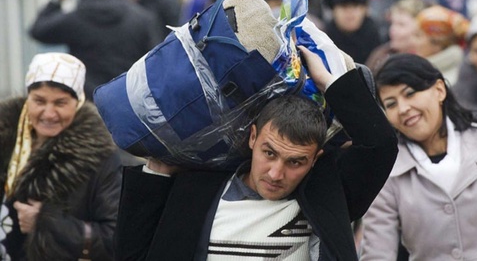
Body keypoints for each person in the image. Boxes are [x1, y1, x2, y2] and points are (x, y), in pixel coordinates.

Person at [114, 46, 398, 260]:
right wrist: (156, 175)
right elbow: (132, 254)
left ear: (316, 158)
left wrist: (327, 80)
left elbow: (380, 145)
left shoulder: (326, 196)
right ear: (252, 137)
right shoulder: (196, 187)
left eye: (295, 162)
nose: (276, 174)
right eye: (269, 153)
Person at [360, 53, 477, 260]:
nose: (403, 109)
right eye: (391, 104)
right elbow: (377, 252)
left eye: (410, 93)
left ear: (439, 90)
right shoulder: (387, 172)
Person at [0, 52, 122, 260]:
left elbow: (114, 237)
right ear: (27, 99)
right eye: (39, 101)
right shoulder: (5, 142)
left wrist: (46, 222)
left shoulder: (100, 158)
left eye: (60, 103)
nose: (48, 113)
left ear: (78, 103)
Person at [29, 0, 160, 100]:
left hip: (91, 100)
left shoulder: (74, 20)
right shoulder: (141, 17)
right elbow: (154, 61)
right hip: (130, 98)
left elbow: (38, 30)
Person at [322, 0, 382, 64]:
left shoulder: (381, 42)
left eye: (355, 5)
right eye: (344, 6)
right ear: (333, 11)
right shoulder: (321, 41)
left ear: (365, 9)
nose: (350, 12)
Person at [365, 0, 429, 72]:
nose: (393, 29)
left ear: (419, 29)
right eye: (392, 23)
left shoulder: (430, 59)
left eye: (401, 24)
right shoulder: (380, 55)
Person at [414, 5, 470, 85]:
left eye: (418, 36)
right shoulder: (423, 71)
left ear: (437, 43)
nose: (414, 42)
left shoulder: (454, 80)